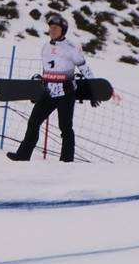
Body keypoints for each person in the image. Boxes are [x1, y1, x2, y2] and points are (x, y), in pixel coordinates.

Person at [6, 12, 105, 163]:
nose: (52, 30)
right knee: (33, 123)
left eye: (56, 28)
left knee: (65, 128)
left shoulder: (72, 47)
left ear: (63, 30)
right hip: (48, 93)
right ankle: (23, 156)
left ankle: (66, 161)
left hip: (66, 94)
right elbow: (48, 69)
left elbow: (84, 68)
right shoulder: (45, 47)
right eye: (51, 27)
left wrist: (95, 89)